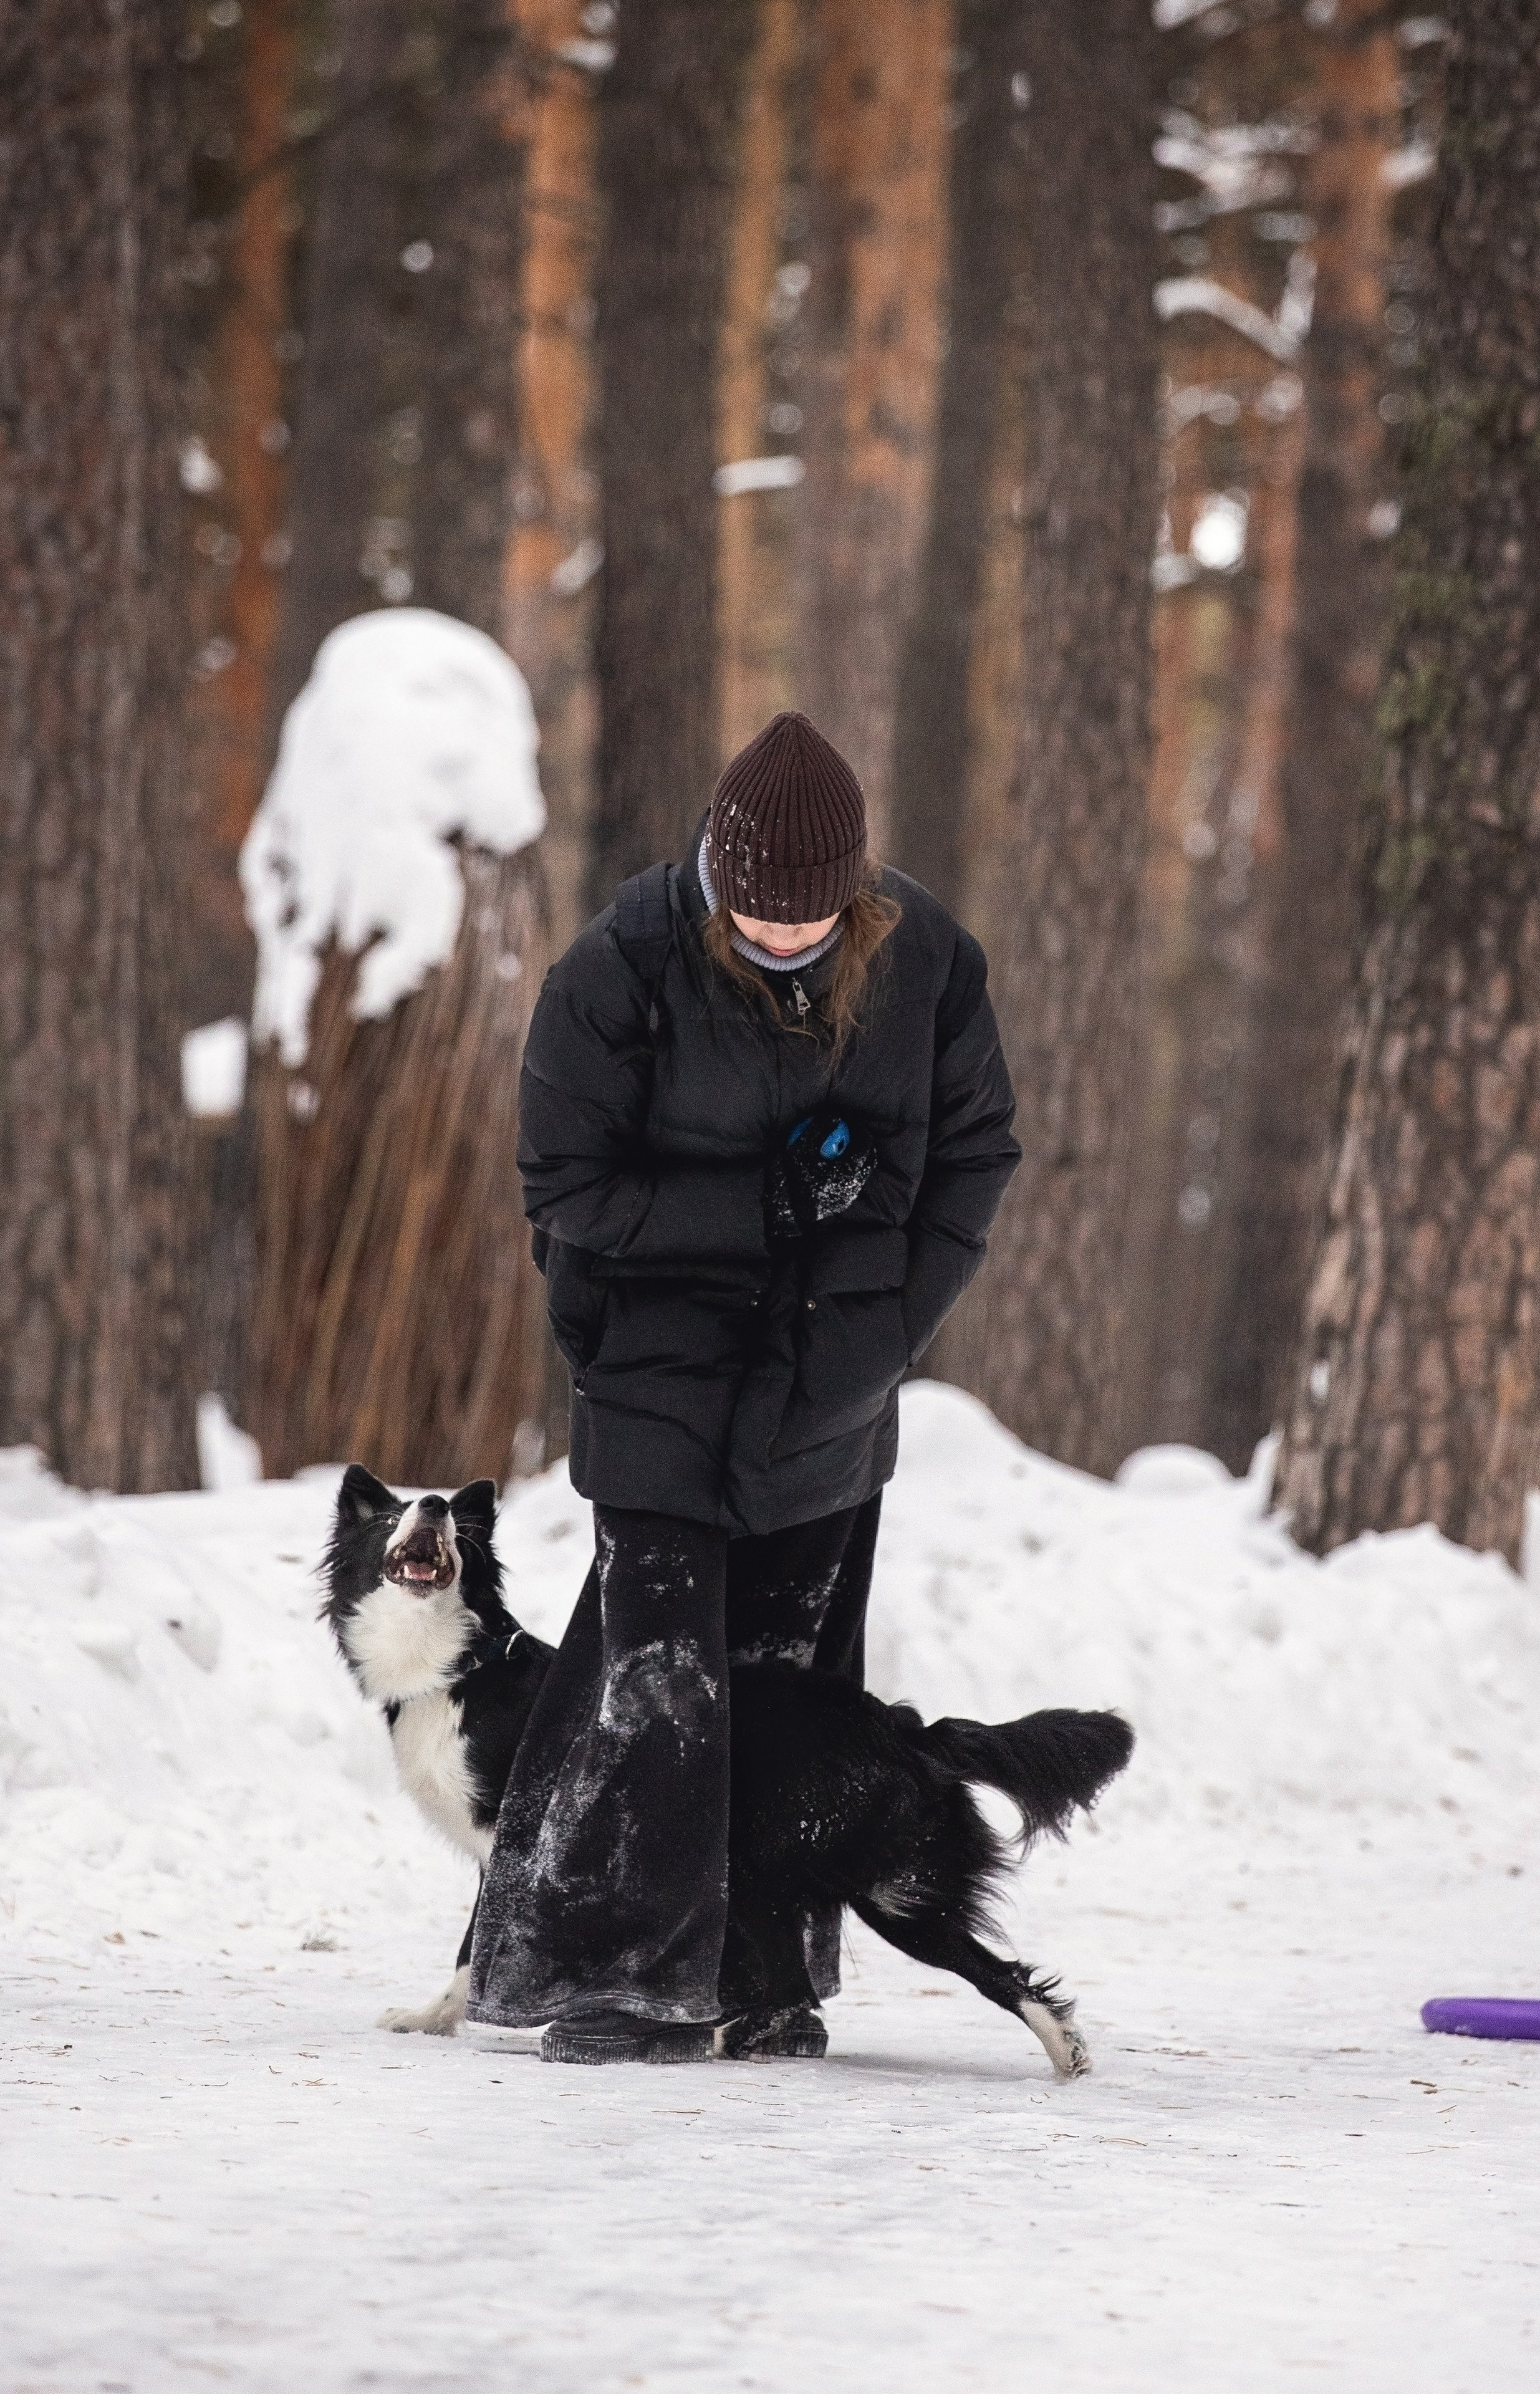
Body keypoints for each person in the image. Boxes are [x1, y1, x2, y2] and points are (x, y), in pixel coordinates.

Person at [468, 710, 1021, 2063]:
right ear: (716, 873)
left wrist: (885, 1324)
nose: (782, 939)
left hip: (830, 1374)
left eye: (811, 919)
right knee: (655, 1687)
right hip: (656, 1360)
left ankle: (758, 1976)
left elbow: (971, 1158)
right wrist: (762, 1206)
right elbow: (566, 1188)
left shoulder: (929, 964)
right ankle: (623, 1977)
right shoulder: (616, 972)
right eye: (757, 918)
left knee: (781, 1694)